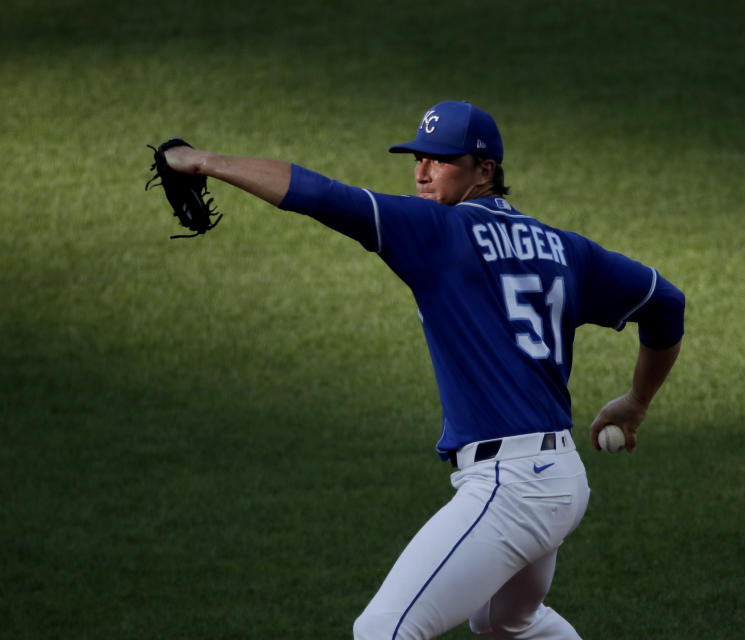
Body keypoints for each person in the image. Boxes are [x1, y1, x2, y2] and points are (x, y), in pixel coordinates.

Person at [161, 100, 685, 639]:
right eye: (418, 157)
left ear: (485, 171)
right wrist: (636, 402)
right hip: (559, 479)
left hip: (512, 487)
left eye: (440, 160)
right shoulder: (565, 250)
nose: (421, 171)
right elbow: (666, 303)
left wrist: (204, 162)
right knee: (509, 622)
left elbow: (320, 195)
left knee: (383, 631)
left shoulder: (436, 231)